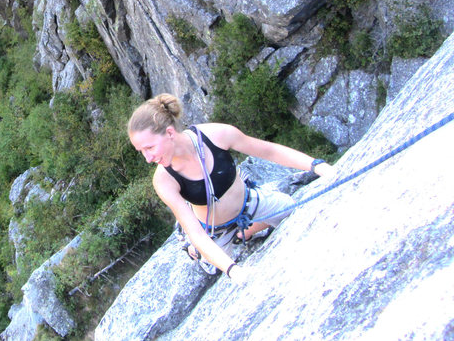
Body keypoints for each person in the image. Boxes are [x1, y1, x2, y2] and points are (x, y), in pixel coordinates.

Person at [127, 93, 332, 284]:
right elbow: (197, 234)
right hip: (213, 232)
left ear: (170, 133)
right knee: (210, 264)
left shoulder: (216, 135)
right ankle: (203, 247)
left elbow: (268, 151)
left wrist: (316, 165)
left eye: (150, 148)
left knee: (291, 209)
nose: (148, 158)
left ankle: (246, 232)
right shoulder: (164, 180)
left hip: (250, 203)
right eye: (141, 151)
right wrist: (232, 269)